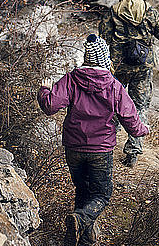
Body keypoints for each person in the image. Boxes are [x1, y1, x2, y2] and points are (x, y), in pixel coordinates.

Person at [37, 34, 149, 246]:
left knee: (82, 190)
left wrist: (44, 90)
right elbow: (130, 119)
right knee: (101, 195)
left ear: (87, 57)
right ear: (105, 58)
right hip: (100, 149)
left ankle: (82, 240)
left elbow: (50, 105)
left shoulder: (71, 79)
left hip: (74, 147)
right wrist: (143, 130)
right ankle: (80, 220)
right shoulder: (114, 86)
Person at [99, 0, 159, 168]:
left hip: (118, 66)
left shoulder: (113, 11)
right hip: (143, 66)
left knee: (113, 106)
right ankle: (133, 151)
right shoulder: (150, 11)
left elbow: (103, 38)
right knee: (140, 107)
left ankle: (106, 149)